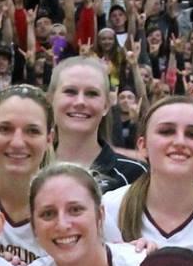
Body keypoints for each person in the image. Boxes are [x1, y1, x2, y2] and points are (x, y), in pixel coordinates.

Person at [105, 97, 193, 260]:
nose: (180, 141)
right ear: (143, 146)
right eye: (166, 131)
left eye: (192, 134)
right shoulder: (108, 209)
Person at [49, 56, 145, 192]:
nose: (80, 102)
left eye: (91, 93)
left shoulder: (135, 175)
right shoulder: (29, 167)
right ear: (51, 99)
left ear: (106, 106)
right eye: (70, 91)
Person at [0, 86, 55, 266]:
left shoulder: (70, 204)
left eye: (32, 131)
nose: (17, 142)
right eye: (5, 129)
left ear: (49, 138)